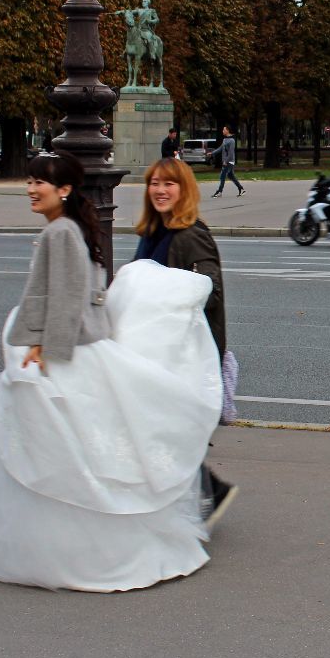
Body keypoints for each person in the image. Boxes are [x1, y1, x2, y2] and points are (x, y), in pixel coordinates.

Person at [0, 150, 223, 592]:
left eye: (39, 182)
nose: (31, 189)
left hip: (71, 348)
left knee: (72, 449)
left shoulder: (62, 231)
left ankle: (74, 546)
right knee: (86, 447)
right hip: (74, 344)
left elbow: (67, 295)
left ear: (63, 190)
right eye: (29, 181)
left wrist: (47, 348)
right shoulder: (72, 229)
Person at [133, 157, 239, 532]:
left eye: (169, 184)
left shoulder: (190, 233)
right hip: (156, 349)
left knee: (160, 429)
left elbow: (210, 288)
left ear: (185, 190)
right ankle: (201, 492)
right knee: (156, 430)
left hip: (184, 353)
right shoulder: (153, 231)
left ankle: (205, 490)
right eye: (154, 183)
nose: (160, 190)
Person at [209, 125, 244, 197]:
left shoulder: (232, 141)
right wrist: (212, 153)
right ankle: (241, 189)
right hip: (227, 161)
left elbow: (231, 153)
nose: (222, 131)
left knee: (222, 176)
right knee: (231, 176)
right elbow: (220, 148)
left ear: (227, 130)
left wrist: (226, 161)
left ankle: (219, 192)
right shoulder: (225, 140)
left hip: (229, 162)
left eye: (224, 130)